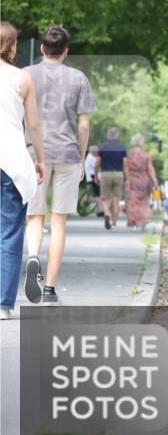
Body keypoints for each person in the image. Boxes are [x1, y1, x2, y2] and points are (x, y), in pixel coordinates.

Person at [24, 26, 97, 306]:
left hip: (34, 154)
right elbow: (84, 123)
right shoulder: (78, 78)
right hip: (67, 154)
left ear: (42, 49)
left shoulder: (26, 75)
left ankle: (33, 256)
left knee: (35, 216)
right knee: (59, 221)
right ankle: (51, 289)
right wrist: (81, 157)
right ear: (66, 51)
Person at [1, 22, 45, 320]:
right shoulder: (23, 78)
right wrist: (40, 158)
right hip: (12, 161)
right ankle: (3, 304)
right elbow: (34, 125)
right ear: (13, 46)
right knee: (10, 233)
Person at [95, 126, 128, 230]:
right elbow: (125, 164)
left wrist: (96, 174)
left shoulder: (102, 146)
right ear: (117, 135)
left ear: (108, 135)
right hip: (118, 174)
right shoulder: (121, 147)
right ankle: (114, 223)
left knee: (104, 198)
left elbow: (98, 162)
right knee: (116, 200)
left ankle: (106, 213)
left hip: (105, 174)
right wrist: (127, 177)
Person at [124, 134, 158, 230]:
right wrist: (155, 182)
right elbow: (150, 169)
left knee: (132, 201)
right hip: (144, 180)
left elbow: (125, 167)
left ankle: (133, 223)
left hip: (132, 179)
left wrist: (127, 178)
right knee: (143, 202)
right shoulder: (146, 155)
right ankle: (142, 221)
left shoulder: (128, 154)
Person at [84, 145, 102, 216]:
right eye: (96, 151)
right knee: (98, 195)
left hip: (93, 176)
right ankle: (100, 210)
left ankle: (99, 210)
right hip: (92, 177)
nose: (97, 152)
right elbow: (96, 167)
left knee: (98, 194)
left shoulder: (92, 157)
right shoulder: (90, 158)